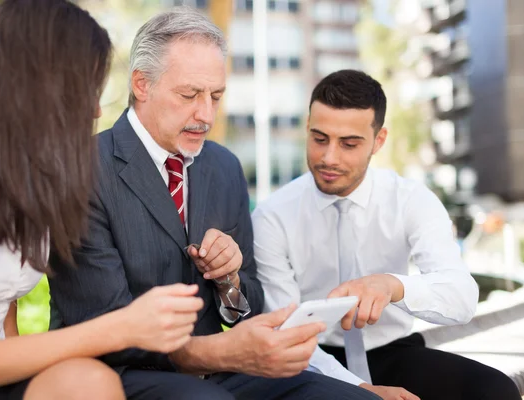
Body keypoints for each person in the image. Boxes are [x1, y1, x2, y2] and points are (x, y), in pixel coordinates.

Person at [48, 8, 380, 400]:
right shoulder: (81, 170)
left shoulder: (223, 166)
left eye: (216, 96)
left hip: (218, 371)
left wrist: (230, 282)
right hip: (116, 374)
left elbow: (251, 306)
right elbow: (103, 326)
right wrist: (217, 352)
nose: (205, 114)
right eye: (189, 95)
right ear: (141, 84)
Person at [0, 1, 204, 399]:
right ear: (36, 87)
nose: (94, 110)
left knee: (89, 382)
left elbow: (4, 313)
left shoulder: (25, 179)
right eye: (86, 91)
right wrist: (124, 326)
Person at [252, 69, 522, 400]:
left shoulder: (411, 200)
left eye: (349, 143)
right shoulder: (271, 216)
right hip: (310, 359)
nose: (329, 157)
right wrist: (361, 390)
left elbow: (461, 299)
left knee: (496, 390)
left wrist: (393, 285)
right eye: (319, 138)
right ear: (307, 128)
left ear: (378, 141)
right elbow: (285, 330)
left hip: (392, 350)